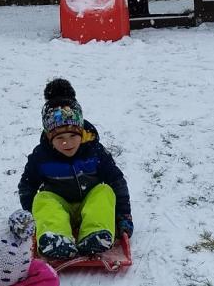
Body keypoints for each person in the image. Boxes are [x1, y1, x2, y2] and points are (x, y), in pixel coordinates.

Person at [18, 78, 133, 260]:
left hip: (89, 202)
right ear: (50, 138)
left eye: (73, 135)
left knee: (104, 191)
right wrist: (31, 216)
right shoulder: (41, 157)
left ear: (81, 132)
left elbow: (116, 180)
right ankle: (55, 237)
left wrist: (124, 215)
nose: (67, 143)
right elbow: (27, 185)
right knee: (42, 198)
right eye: (60, 138)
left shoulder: (94, 152)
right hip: (59, 205)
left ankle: (95, 234)